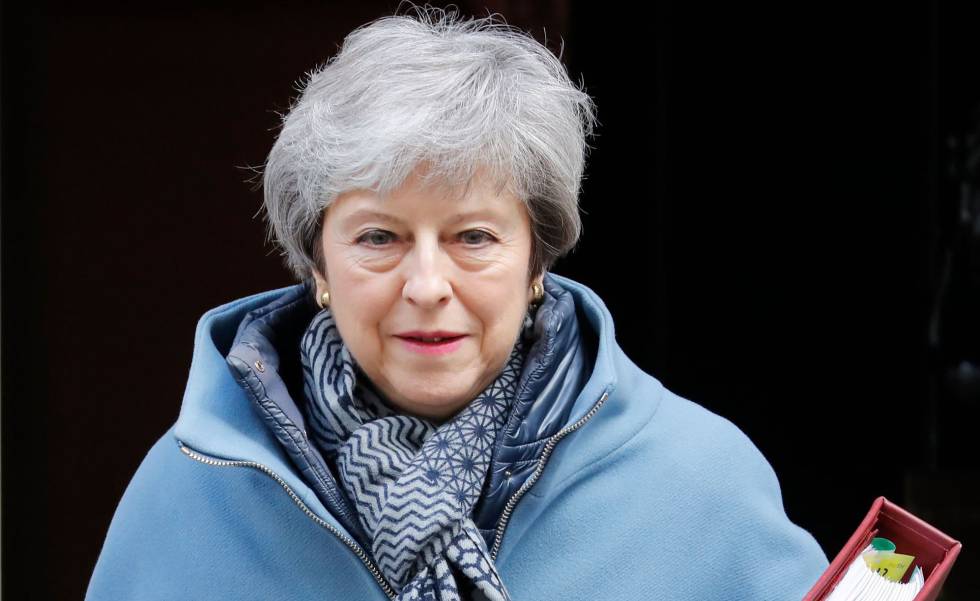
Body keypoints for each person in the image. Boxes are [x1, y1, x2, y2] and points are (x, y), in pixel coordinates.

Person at [86, 5, 829, 600]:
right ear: (316, 261)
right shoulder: (193, 489)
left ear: (537, 256)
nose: (428, 284)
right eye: (380, 237)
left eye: (473, 236)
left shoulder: (698, 480)